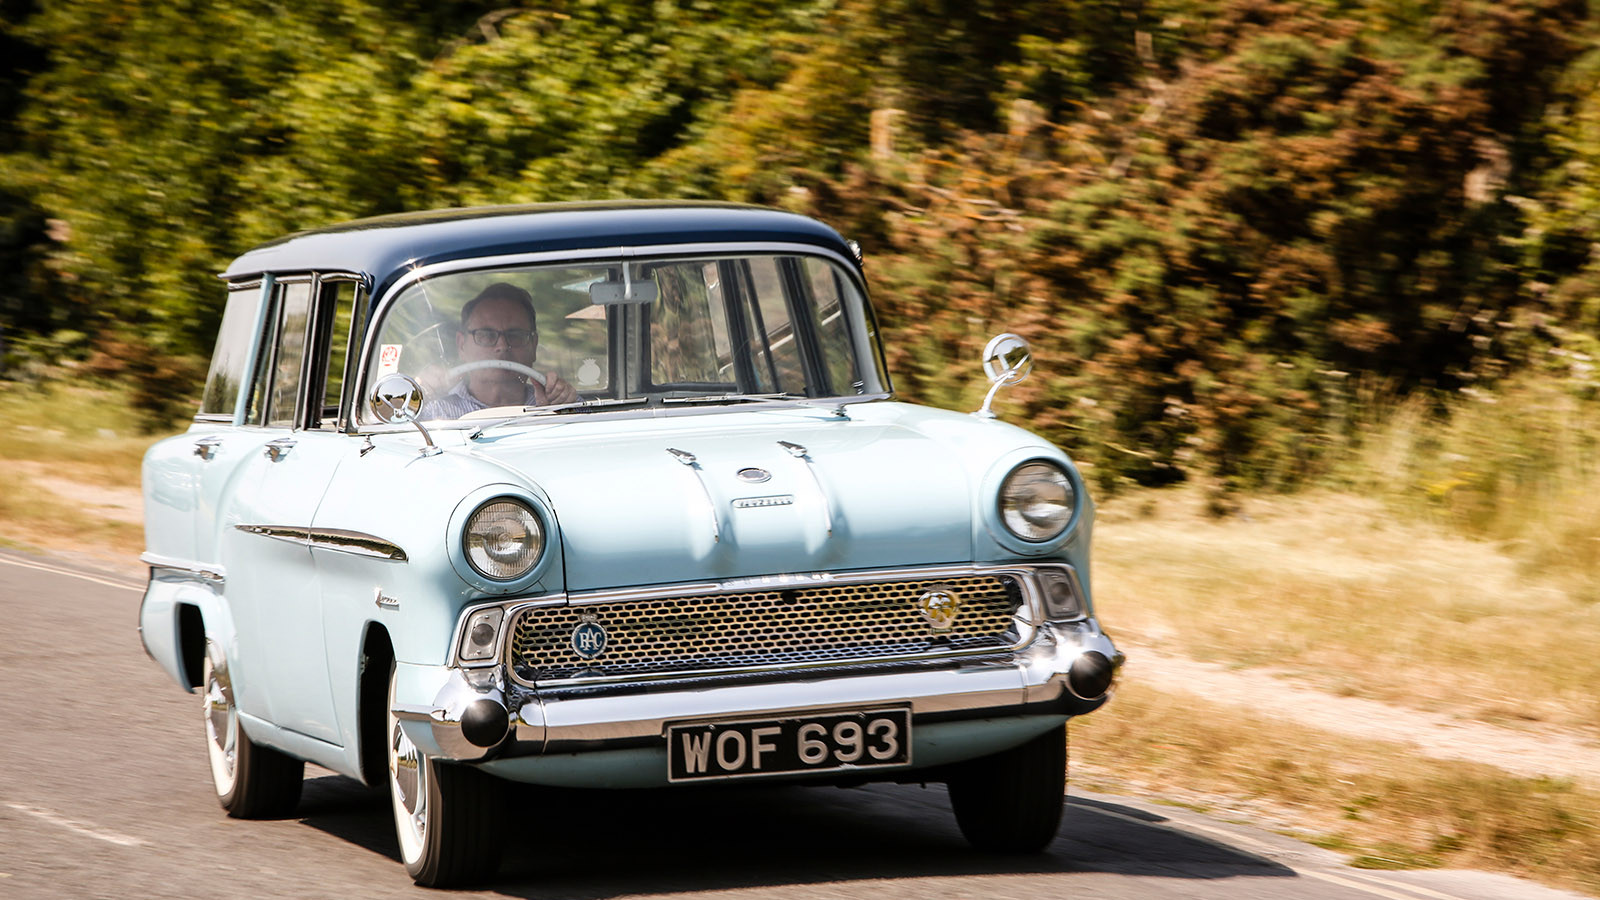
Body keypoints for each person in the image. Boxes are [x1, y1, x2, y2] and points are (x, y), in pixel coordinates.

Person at [421, 283, 578, 419]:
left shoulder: (557, 404)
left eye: (515, 335)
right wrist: (418, 397)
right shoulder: (434, 409)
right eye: (486, 335)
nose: (502, 346)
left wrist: (562, 411)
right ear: (462, 345)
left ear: (533, 345)